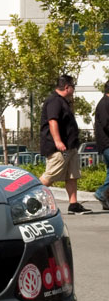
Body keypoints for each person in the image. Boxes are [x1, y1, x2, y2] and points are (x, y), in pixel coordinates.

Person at [39, 75, 92, 215]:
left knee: (72, 175)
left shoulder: (63, 101)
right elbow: (52, 121)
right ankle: (28, 197)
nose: (74, 90)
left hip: (70, 146)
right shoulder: (54, 101)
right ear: (67, 87)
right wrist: (58, 141)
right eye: (73, 87)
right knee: (50, 176)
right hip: (59, 148)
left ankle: (73, 205)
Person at [94, 80, 109, 210]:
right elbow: (106, 124)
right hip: (107, 144)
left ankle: (105, 198)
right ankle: (101, 193)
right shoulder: (105, 104)